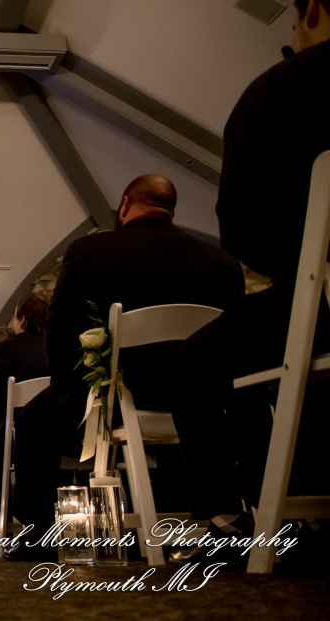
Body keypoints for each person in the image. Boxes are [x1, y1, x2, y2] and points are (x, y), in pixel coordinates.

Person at [3, 174, 244, 561]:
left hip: (119, 398)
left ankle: (39, 538)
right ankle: (224, 523)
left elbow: (60, 328)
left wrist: (71, 386)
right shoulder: (222, 263)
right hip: (207, 405)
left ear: (127, 203)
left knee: (33, 421)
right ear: (170, 208)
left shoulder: (91, 251)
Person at [169, 0, 330, 563]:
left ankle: (227, 520)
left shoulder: (280, 89)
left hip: (324, 301)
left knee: (195, 364)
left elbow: (241, 229)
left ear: (312, 10)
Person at [0, 291, 51, 539]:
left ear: (23, 319)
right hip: (64, 434)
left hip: (18, 433)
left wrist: (3, 429)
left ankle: (2, 530)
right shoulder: (62, 345)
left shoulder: (6, 350)